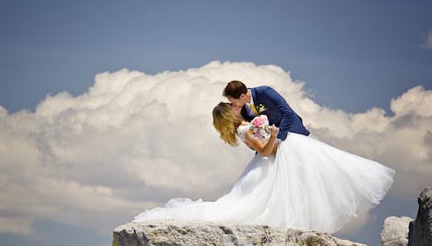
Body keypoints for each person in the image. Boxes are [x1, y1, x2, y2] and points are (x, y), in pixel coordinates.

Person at [133, 95, 395, 235]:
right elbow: (267, 153)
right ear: (230, 114)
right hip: (266, 166)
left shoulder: (244, 128)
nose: (236, 106)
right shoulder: (245, 130)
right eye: (231, 106)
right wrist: (272, 135)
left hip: (262, 166)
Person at [224, 80, 310, 141]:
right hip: (272, 142)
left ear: (242, 96)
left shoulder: (265, 92)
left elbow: (288, 113)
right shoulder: (243, 109)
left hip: (292, 132)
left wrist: (278, 137)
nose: (234, 104)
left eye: (234, 102)